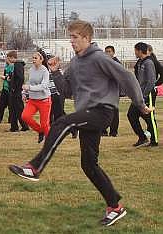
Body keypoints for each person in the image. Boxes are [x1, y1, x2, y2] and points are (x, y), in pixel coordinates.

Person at [9, 20, 153, 226]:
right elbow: (67, 91)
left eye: (75, 37)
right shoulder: (76, 63)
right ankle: (115, 207)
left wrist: (140, 104)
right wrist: (56, 72)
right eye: (71, 37)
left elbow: (127, 78)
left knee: (61, 123)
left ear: (87, 38)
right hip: (86, 113)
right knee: (88, 164)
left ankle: (35, 167)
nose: (71, 41)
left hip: (102, 111)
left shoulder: (99, 58)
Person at [127, 42, 158, 147]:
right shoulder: (140, 62)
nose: (134, 52)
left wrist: (144, 95)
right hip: (139, 93)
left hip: (147, 93)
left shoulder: (149, 62)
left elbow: (151, 81)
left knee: (149, 117)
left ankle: (154, 140)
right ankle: (142, 137)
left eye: (135, 50)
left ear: (140, 51)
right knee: (131, 114)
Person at [21, 51, 52, 144]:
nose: (33, 60)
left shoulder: (45, 71)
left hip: (44, 100)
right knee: (25, 116)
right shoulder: (31, 70)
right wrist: (24, 92)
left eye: (35, 58)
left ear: (41, 59)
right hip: (33, 100)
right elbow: (29, 83)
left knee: (44, 124)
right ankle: (40, 131)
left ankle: (50, 142)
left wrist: (30, 88)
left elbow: (44, 86)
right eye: (33, 58)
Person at [5, 51, 29, 132]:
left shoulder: (18, 65)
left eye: (8, 58)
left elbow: (20, 78)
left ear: (12, 57)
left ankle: (24, 126)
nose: (7, 60)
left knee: (19, 109)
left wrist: (16, 88)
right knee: (13, 110)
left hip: (16, 92)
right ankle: (14, 127)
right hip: (14, 91)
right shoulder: (15, 65)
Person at [101, 45, 121, 137]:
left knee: (114, 112)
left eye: (109, 51)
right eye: (106, 51)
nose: (107, 53)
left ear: (113, 52)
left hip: (113, 91)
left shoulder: (117, 63)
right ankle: (103, 130)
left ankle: (113, 131)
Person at [0, 57, 12, 124]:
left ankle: (11, 120)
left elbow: (11, 78)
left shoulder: (13, 67)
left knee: (11, 106)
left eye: (7, 58)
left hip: (10, 89)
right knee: (1, 105)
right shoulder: (6, 66)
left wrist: (6, 78)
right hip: (4, 88)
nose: (5, 59)